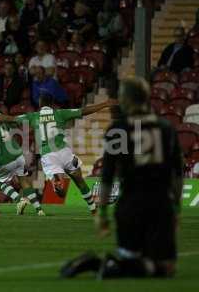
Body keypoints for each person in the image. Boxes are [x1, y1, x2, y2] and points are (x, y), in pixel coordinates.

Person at [60, 77, 183, 279]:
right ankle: (108, 265)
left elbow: (107, 174)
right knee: (165, 269)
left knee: (131, 259)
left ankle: (99, 263)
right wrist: (176, 208)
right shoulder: (166, 127)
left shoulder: (117, 130)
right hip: (161, 204)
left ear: (126, 100)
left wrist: (103, 213)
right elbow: (177, 173)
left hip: (130, 205)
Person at [0, 93, 117, 214]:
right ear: (52, 103)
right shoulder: (60, 113)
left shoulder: (33, 116)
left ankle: (57, 182)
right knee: (79, 181)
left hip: (49, 156)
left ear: (39, 104)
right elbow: (83, 111)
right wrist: (104, 104)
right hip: (64, 152)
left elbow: (10, 118)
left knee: (59, 186)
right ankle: (93, 208)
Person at [0, 95, 45, 216]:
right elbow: (14, 125)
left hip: (4, 158)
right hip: (17, 154)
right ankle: (39, 209)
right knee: (23, 180)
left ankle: (19, 200)